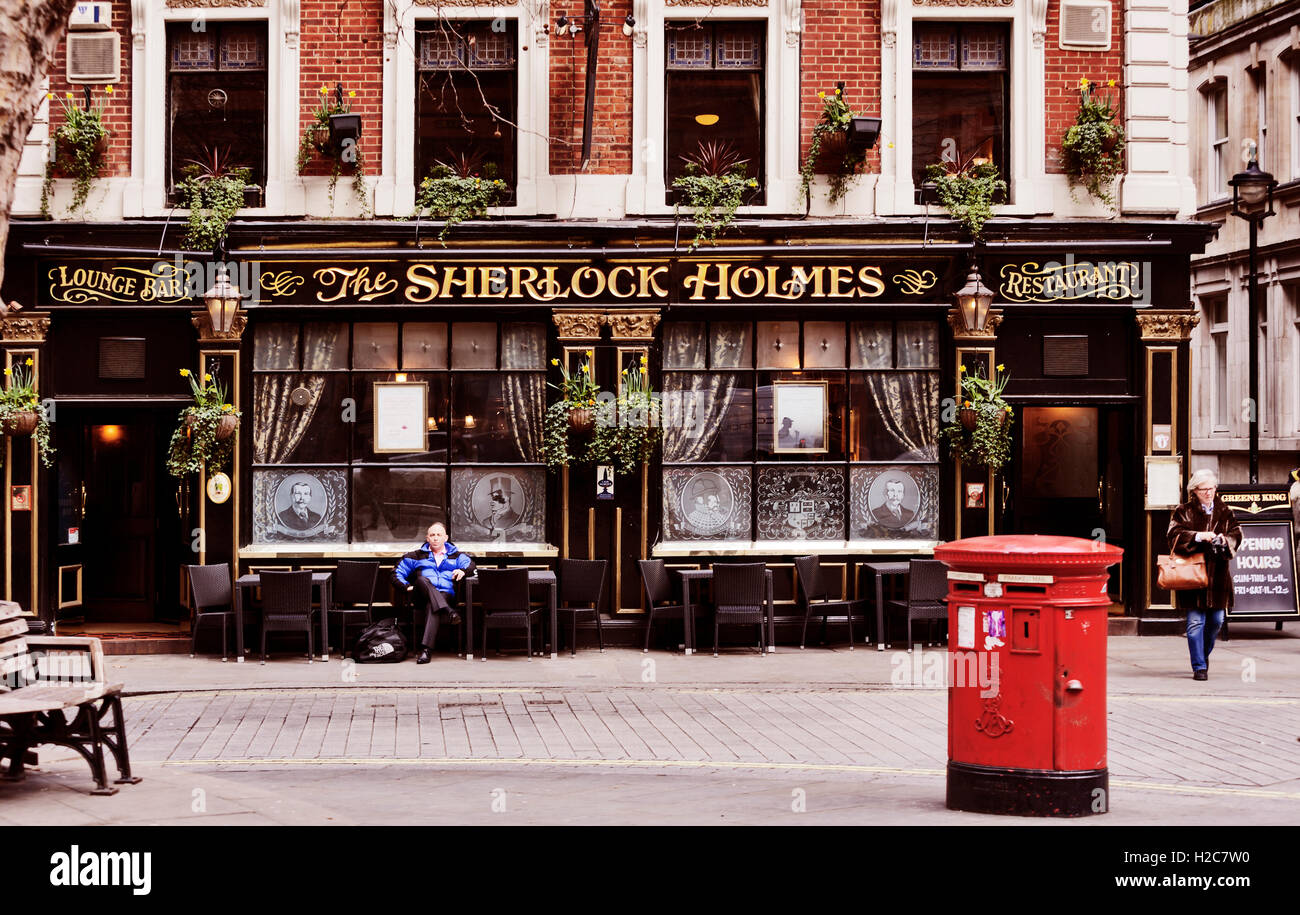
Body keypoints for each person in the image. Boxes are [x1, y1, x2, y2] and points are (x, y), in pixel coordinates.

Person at [1166, 469, 1241, 681]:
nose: (1209, 492)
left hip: (1218, 576)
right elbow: (1173, 536)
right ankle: (1199, 666)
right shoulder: (1184, 511)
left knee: (1216, 620)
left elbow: (1237, 534)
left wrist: (1224, 541)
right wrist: (1199, 536)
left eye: (1212, 488)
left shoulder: (1225, 511)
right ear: (1194, 491)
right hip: (1193, 575)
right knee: (1195, 623)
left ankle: (1203, 656)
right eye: (1204, 489)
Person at [393, 522, 475, 664]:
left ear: (446, 538)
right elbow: (395, 572)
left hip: (445, 595)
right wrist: (406, 586)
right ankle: (449, 612)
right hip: (421, 596)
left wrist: (462, 571)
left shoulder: (456, 555)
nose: (436, 538)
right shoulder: (416, 556)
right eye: (432, 535)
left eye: (439, 535)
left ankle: (426, 650)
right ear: (427, 538)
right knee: (421, 580)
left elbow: (471, 565)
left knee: (433, 605)